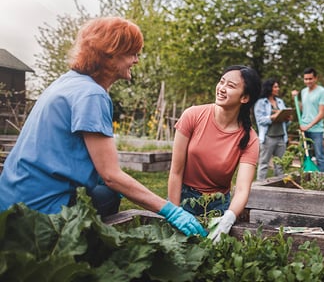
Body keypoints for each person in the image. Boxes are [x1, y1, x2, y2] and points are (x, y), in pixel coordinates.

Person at [0, 17, 206, 237]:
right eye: (132, 53)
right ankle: (76, 251)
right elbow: (111, 175)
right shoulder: (92, 94)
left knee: (106, 190)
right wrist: (171, 210)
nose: (136, 60)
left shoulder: (67, 82)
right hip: (41, 213)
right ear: (110, 54)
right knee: (109, 192)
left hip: (12, 201)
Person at [167, 65, 261, 242]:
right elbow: (176, 171)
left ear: (245, 97)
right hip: (184, 197)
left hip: (218, 206)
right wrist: (174, 211)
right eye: (221, 82)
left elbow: (241, 189)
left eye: (231, 86)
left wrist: (229, 218)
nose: (222, 88)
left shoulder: (250, 139)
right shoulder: (193, 115)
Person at [291, 67, 324, 172]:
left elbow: (321, 113)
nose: (308, 81)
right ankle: (306, 179)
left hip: (316, 130)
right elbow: (304, 108)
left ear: (315, 78)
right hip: (304, 129)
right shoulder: (303, 92)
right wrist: (295, 99)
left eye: (310, 79)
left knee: (319, 157)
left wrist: (309, 125)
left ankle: (323, 181)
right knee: (304, 155)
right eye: (306, 79)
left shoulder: (322, 91)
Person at [254, 78, 292, 180]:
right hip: (268, 138)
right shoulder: (261, 103)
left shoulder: (280, 102)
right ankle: (260, 187)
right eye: (275, 87)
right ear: (269, 88)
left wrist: (287, 119)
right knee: (264, 163)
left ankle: (279, 186)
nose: (278, 89)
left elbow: (285, 122)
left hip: (281, 137)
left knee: (280, 165)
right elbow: (260, 120)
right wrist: (272, 117)